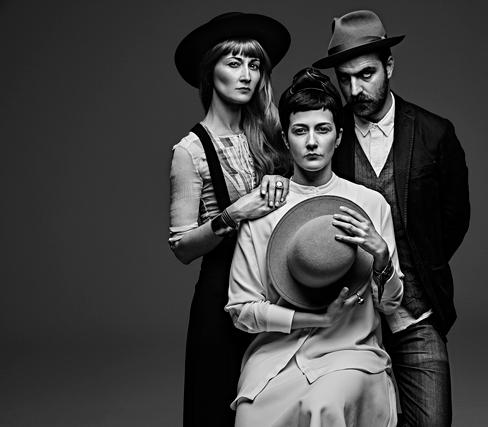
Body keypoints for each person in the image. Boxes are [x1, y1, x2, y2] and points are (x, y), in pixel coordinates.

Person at [313, 10, 471, 427]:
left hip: (415, 314)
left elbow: (455, 218)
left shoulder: (435, 133)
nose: (355, 89)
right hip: (347, 319)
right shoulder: (327, 134)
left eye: (366, 74)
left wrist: (417, 263)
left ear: (389, 66)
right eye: (345, 79)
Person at [225, 68, 404, 426]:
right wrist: (315, 319)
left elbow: (390, 305)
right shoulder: (264, 209)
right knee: (250, 415)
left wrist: (381, 255)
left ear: (339, 137)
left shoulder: (370, 204)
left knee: (325, 405)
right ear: (285, 138)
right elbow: (242, 309)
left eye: (322, 130)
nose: (311, 142)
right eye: (300, 131)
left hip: (350, 351)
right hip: (277, 356)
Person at [170, 12, 292, 427]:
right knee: (217, 408)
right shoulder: (189, 150)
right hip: (221, 296)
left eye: (254, 65)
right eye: (234, 63)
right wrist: (232, 215)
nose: (246, 75)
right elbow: (182, 248)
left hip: (279, 289)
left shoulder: (273, 134)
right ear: (211, 72)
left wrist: (284, 177)